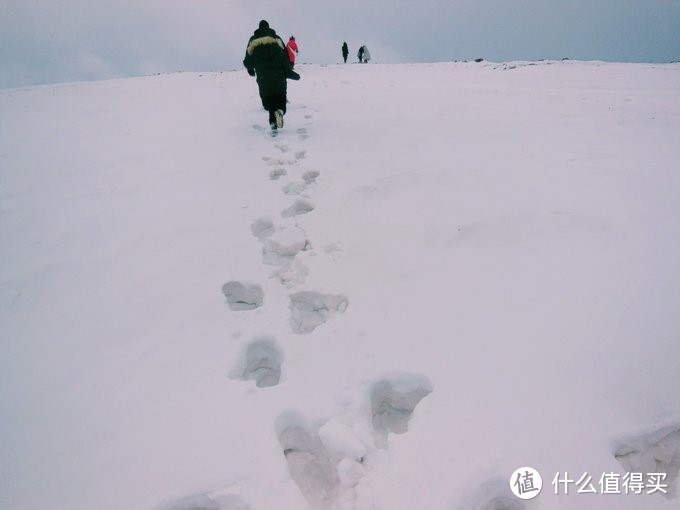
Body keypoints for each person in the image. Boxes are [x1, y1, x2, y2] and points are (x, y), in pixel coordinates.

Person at [243, 20, 300, 132]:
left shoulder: (252, 40)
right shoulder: (277, 40)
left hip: (263, 80)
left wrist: (250, 69)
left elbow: (247, 61)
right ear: (269, 28)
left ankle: (273, 125)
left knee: (269, 105)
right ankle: (280, 112)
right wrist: (293, 74)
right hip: (279, 80)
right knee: (280, 103)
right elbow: (286, 56)